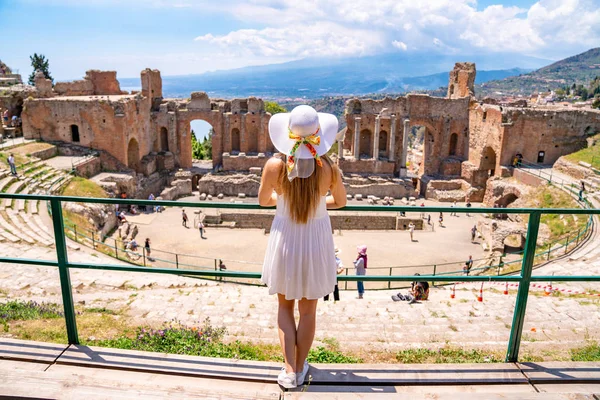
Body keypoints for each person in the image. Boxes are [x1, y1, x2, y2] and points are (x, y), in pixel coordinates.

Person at [258, 105, 346, 389]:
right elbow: (341, 202)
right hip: (315, 239)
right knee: (309, 312)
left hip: (286, 238)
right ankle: (301, 364)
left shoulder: (275, 166)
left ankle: (289, 370)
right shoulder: (329, 168)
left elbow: (262, 201)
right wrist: (319, 204)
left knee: (285, 307)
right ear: (318, 135)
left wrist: (283, 202)